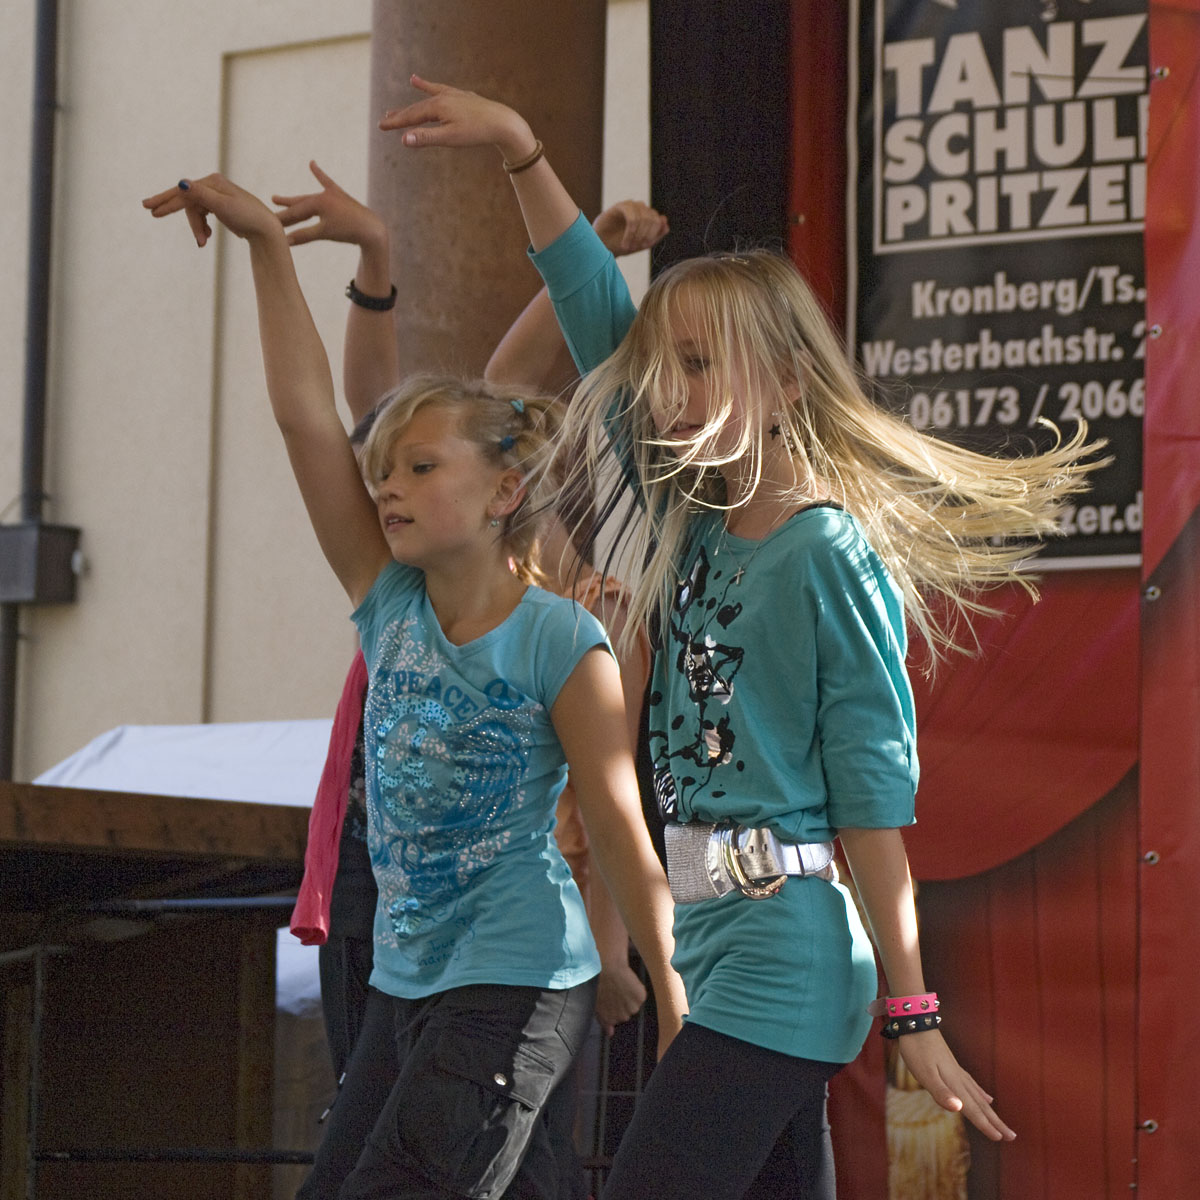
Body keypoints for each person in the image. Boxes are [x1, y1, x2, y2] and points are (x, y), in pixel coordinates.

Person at [375, 76, 1104, 1199]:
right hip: (714, 945)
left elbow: (871, 803)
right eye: (666, 368)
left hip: (789, 952)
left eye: (703, 365)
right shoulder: (691, 523)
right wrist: (523, 150)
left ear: (786, 381)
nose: (670, 390)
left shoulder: (826, 553)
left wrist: (914, 1015)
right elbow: (589, 306)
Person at [143, 172, 687, 1200]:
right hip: (408, 986)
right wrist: (267, 247)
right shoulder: (385, 598)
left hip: (517, 983)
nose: (386, 484)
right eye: (385, 469)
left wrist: (668, 985)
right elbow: (307, 419)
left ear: (505, 492)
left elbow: (616, 822)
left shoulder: (561, 639)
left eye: (420, 468)